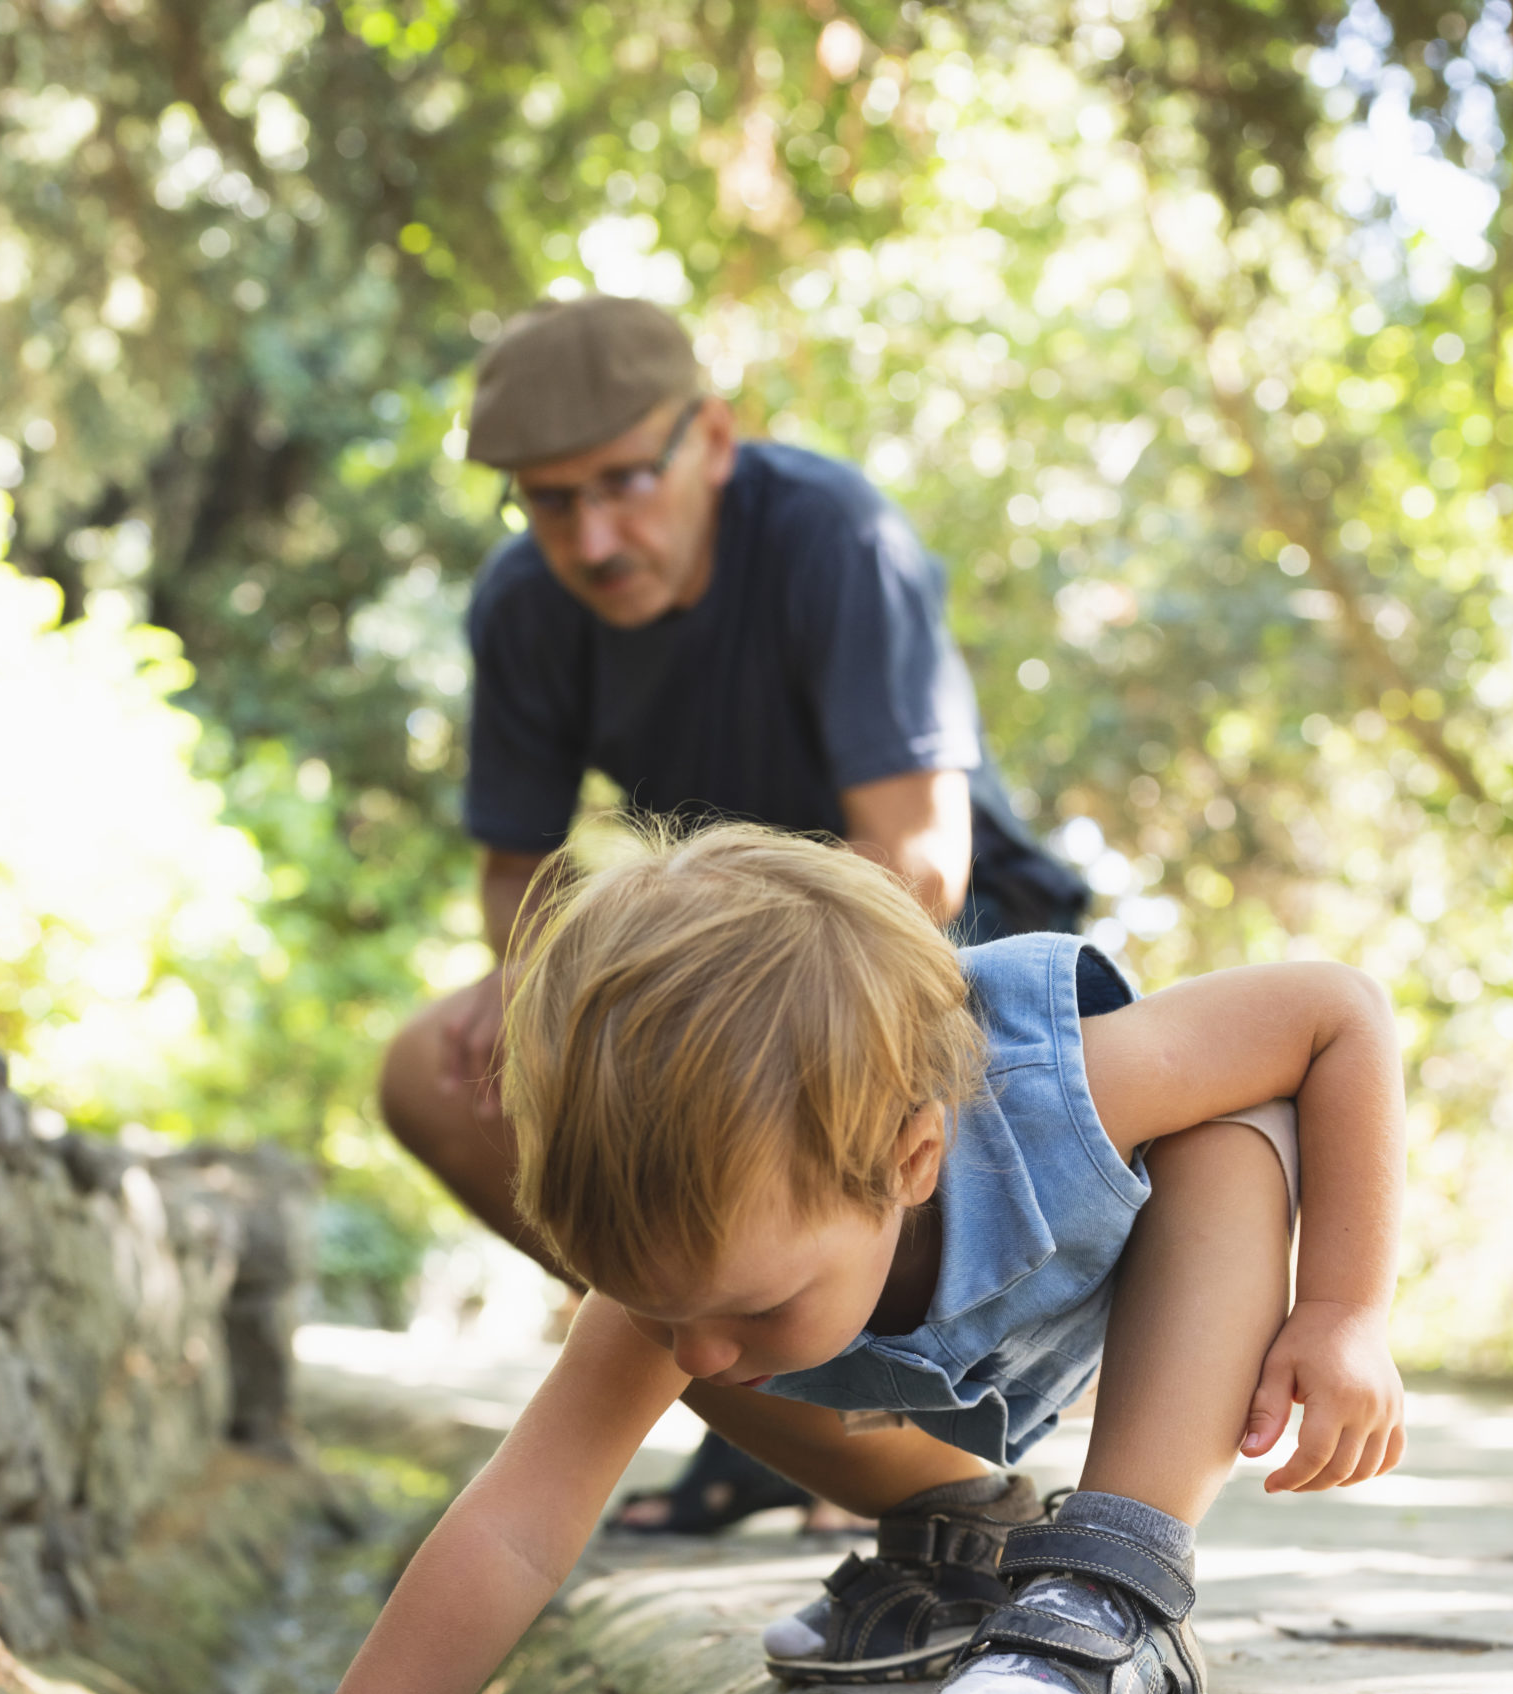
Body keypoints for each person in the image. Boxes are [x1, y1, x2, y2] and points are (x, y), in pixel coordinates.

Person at [194, 823, 1405, 1694]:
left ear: (909, 1159)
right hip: (940, 1374)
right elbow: (514, 1524)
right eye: (663, 1304)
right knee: (670, 1354)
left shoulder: (1065, 1084)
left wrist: (1342, 1311)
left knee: (1228, 1136)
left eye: (749, 1304)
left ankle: (1116, 1576)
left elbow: (1330, 1013)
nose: (705, 1351)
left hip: (1154, 1279)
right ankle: (961, 1541)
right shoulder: (703, 1289)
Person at [379, 292, 1086, 1537]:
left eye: (621, 481)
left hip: (929, 954)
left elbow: (917, 859)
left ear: (710, 439)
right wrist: (531, 994)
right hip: (713, 970)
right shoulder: (521, 609)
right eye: (548, 500)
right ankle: (781, 1415)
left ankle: (877, 1426)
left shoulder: (832, 538)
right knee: (431, 1077)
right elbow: (517, 878)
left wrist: (750, 1032)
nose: (592, 537)